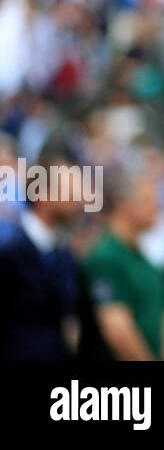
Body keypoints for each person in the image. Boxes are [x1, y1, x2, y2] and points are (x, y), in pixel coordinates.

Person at [83, 170, 164, 360]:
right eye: (148, 200)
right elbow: (117, 330)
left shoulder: (145, 261)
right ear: (123, 204)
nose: (156, 207)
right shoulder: (105, 257)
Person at [0, 142, 85, 360]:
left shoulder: (63, 254)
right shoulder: (9, 251)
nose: (78, 199)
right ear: (41, 193)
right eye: (69, 190)